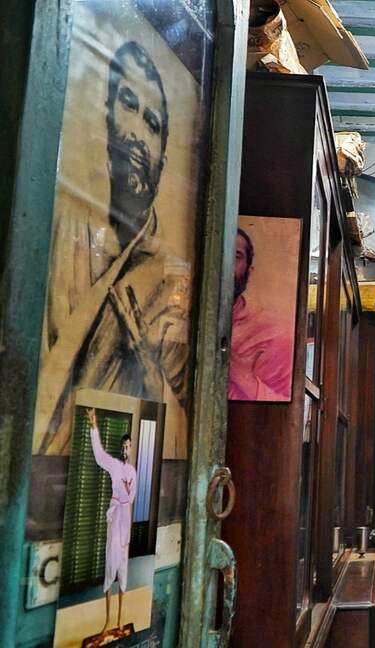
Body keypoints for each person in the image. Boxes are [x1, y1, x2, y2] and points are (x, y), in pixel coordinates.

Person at [34, 40, 189, 454]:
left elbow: (183, 415)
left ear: (163, 158)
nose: (139, 135)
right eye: (129, 105)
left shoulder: (168, 277)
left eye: (153, 124)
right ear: (104, 117)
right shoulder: (64, 227)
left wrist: (147, 365)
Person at [229, 228, 294, 400]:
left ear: (249, 271)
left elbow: (286, 402)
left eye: (235, 257)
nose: (224, 264)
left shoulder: (274, 333)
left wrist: (245, 379)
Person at [86, 407, 136, 633]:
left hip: (125, 520)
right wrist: (94, 426)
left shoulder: (133, 472)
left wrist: (127, 491)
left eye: (128, 446)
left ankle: (119, 619)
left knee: (124, 569)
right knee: (110, 566)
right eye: (123, 446)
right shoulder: (114, 466)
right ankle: (107, 622)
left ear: (131, 448)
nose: (125, 449)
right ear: (120, 448)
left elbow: (131, 498)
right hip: (115, 517)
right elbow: (99, 456)